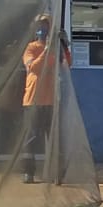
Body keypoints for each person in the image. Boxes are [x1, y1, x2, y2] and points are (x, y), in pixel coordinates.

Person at [21, 12, 71, 184]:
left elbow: (66, 65)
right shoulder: (31, 48)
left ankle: (58, 173)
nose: (43, 28)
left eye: (46, 25)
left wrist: (64, 47)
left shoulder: (55, 50)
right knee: (31, 138)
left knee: (55, 138)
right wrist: (46, 50)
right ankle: (28, 172)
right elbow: (34, 68)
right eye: (40, 25)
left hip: (51, 101)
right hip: (33, 101)